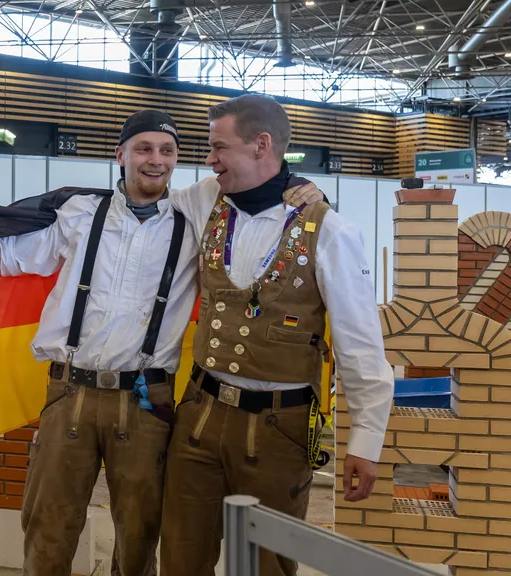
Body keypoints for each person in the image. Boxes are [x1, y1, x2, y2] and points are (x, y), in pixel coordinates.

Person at [0, 110, 323, 576]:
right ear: (120, 154)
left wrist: (304, 185)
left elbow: (261, 178)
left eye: (168, 151)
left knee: (140, 533)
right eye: (144, 148)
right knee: (48, 527)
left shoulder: (196, 214)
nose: (156, 160)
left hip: (148, 403)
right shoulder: (81, 213)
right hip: (69, 394)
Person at [159, 94, 394, 576]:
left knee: (267, 566)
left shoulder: (331, 231)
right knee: (182, 558)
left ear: (261, 144)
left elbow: (360, 345)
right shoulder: (205, 200)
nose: (209, 158)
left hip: (278, 429)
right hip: (199, 415)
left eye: (219, 147)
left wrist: (365, 442)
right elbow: (136, 206)